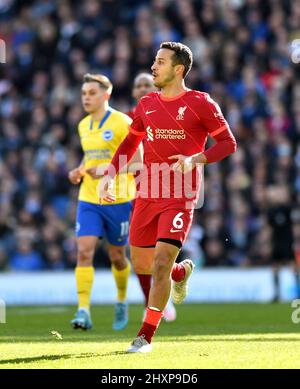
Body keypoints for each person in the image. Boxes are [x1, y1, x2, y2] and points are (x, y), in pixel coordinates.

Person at [100, 42, 237, 352]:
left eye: (160, 62)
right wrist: (110, 174)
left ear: (178, 69)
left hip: (180, 195)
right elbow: (129, 143)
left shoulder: (201, 103)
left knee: (160, 263)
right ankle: (181, 271)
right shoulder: (146, 104)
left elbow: (228, 144)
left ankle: (144, 336)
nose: (153, 67)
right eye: (154, 61)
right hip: (147, 193)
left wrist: (195, 160)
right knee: (144, 264)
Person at [68, 73, 142, 331]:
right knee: (84, 251)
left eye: (92, 93)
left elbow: (137, 163)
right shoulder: (83, 126)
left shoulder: (123, 122)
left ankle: (121, 299)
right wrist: (78, 170)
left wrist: (106, 171)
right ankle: (83, 310)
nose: (86, 97)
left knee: (117, 257)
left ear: (106, 95)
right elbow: (89, 158)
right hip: (89, 198)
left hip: (118, 198)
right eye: (84, 93)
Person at [128, 72, 176, 322]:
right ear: (134, 92)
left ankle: (169, 284)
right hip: (134, 195)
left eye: (147, 83)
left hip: (166, 191)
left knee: (161, 249)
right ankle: (154, 300)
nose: (143, 88)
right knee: (139, 256)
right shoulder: (126, 120)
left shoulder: (167, 115)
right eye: (139, 85)